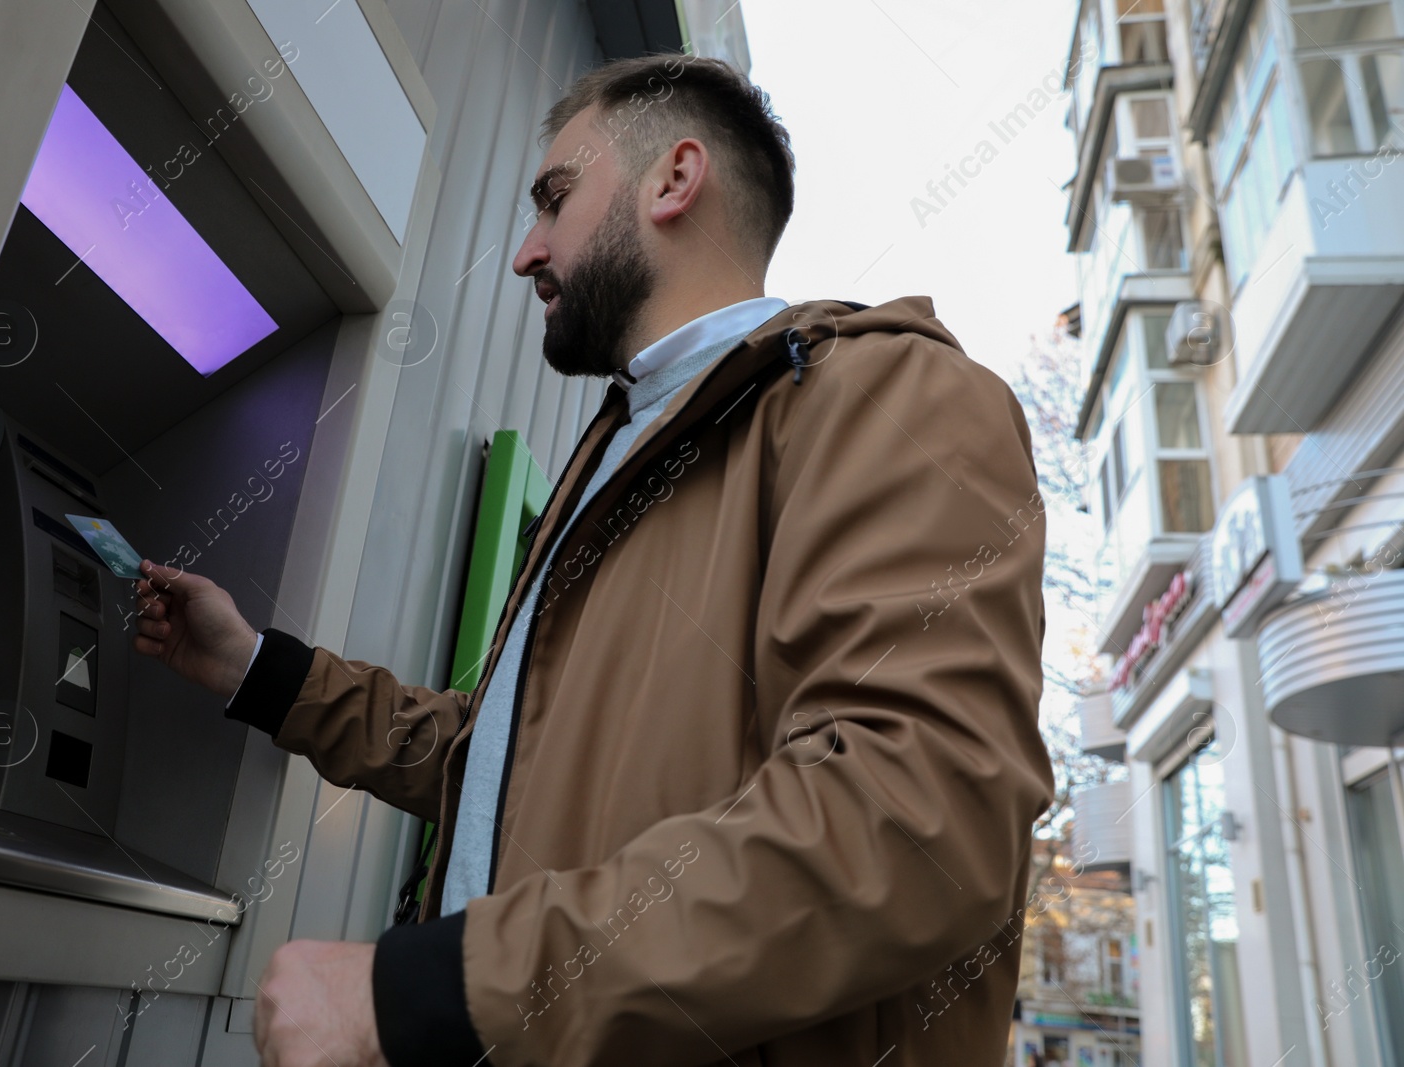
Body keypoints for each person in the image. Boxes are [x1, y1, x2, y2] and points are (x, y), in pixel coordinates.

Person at [134, 54, 1054, 1067]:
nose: (528, 251)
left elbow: (914, 818)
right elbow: (497, 765)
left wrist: (441, 989)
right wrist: (253, 668)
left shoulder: (892, 399)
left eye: (556, 199)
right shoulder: (614, 453)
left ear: (673, 179)